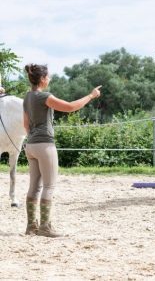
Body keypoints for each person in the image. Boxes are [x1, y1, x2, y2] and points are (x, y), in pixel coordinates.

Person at [23, 64, 102, 237]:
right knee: (49, 186)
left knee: (34, 186)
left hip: (31, 145)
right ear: (42, 79)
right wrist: (91, 95)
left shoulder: (27, 97)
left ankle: (31, 226)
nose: (49, 79)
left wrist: (33, 138)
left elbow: (25, 124)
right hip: (45, 145)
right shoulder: (44, 96)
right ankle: (44, 227)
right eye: (48, 76)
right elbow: (70, 107)